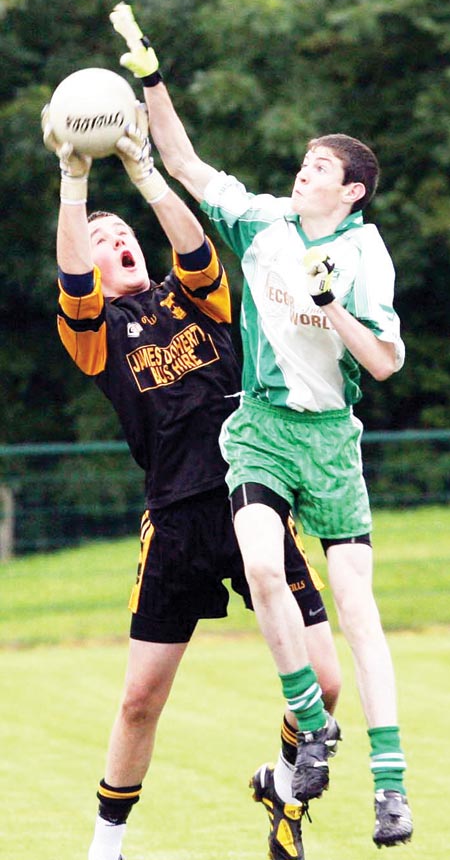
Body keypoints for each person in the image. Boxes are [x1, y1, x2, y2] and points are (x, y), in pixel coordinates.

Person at [109, 2, 414, 850]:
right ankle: (309, 730)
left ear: (350, 190)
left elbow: (384, 364)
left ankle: (390, 786)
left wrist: (333, 309)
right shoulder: (263, 220)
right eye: (308, 160)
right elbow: (183, 160)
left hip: (330, 441)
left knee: (358, 612)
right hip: (261, 431)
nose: (306, 169)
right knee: (259, 557)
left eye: (321, 166)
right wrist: (151, 78)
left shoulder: (364, 254)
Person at [41, 92, 341, 860]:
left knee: (327, 687)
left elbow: (198, 248)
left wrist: (143, 172)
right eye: (102, 242)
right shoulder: (97, 336)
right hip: (175, 520)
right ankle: (103, 849)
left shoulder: (197, 303)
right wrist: (75, 184)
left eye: (123, 234)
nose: (117, 243)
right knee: (141, 700)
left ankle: (280, 785)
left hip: (255, 498)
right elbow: (73, 280)